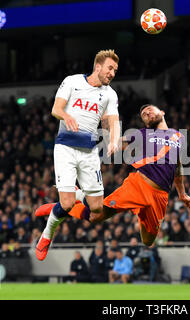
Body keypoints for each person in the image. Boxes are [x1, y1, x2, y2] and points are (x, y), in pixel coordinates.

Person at [36, 104, 190, 249]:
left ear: (162, 112)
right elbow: (116, 142)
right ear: (146, 124)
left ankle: (140, 210)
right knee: (96, 216)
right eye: (144, 114)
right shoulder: (143, 134)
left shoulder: (178, 136)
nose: (147, 113)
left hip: (160, 197)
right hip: (138, 186)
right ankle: (67, 204)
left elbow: (178, 167)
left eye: (149, 110)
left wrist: (182, 193)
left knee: (148, 241)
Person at [35, 49, 121, 261]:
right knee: (66, 204)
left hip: (89, 153)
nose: (112, 73)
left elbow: (113, 120)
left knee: (97, 210)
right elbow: (56, 108)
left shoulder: (110, 94)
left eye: (115, 70)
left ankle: (70, 196)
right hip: (65, 148)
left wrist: (113, 140)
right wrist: (66, 116)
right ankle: (46, 235)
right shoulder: (72, 81)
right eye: (110, 68)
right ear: (98, 66)